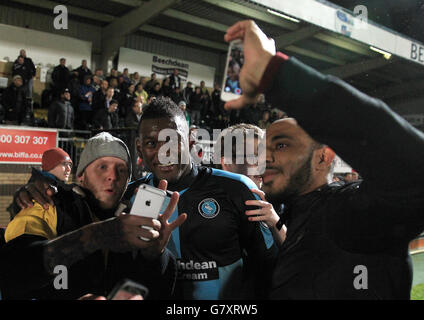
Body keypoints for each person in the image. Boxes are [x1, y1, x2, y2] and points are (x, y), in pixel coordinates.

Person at [224, 20, 424, 299]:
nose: (265, 156)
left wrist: (276, 74)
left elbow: (414, 170)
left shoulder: (350, 214)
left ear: (324, 156)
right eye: (264, 146)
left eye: (282, 144)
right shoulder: (294, 217)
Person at [1, 132, 186, 300]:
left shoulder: (135, 221)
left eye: (121, 170)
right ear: (81, 176)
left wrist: (156, 257)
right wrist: (100, 234)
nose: (112, 176)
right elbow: (12, 272)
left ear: (128, 182)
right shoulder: (46, 204)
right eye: (102, 167)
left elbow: (162, 293)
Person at [127, 97, 277, 299]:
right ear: (139, 148)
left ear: (190, 141)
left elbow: (269, 266)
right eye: (151, 143)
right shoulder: (130, 198)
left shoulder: (238, 189)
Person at [215, 123, 286, 246]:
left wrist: (275, 222)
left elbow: (297, 254)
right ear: (226, 162)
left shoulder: (275, 201)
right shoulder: (205, 203)